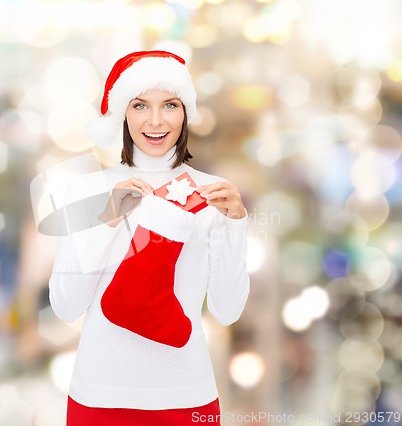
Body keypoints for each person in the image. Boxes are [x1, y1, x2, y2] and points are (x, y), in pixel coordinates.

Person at [49, 50, 250, 426]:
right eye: (140, 105)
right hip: (99, 398)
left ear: (186, 112)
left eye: (170, 105)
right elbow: (65, 305)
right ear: (123, 112)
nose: (156, 121)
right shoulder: (86, 190)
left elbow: (227, 310)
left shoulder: (213, 194)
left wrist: (235, 226)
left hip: (187, 397)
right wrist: (107, 220)